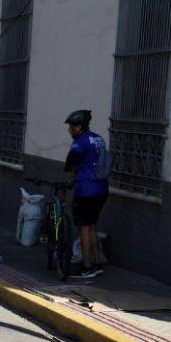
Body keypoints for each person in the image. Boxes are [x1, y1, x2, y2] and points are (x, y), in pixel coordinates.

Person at [63, 109, 109, 279]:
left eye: (71, 127)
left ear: (78, 127)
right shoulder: (99, 138)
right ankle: (96, 263)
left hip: (86, 190)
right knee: (91, 226)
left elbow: (70, 161)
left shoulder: (80, 142)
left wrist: (68, 169)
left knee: (83, 228)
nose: (69, 130)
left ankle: (86, 266)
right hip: (102, 190)